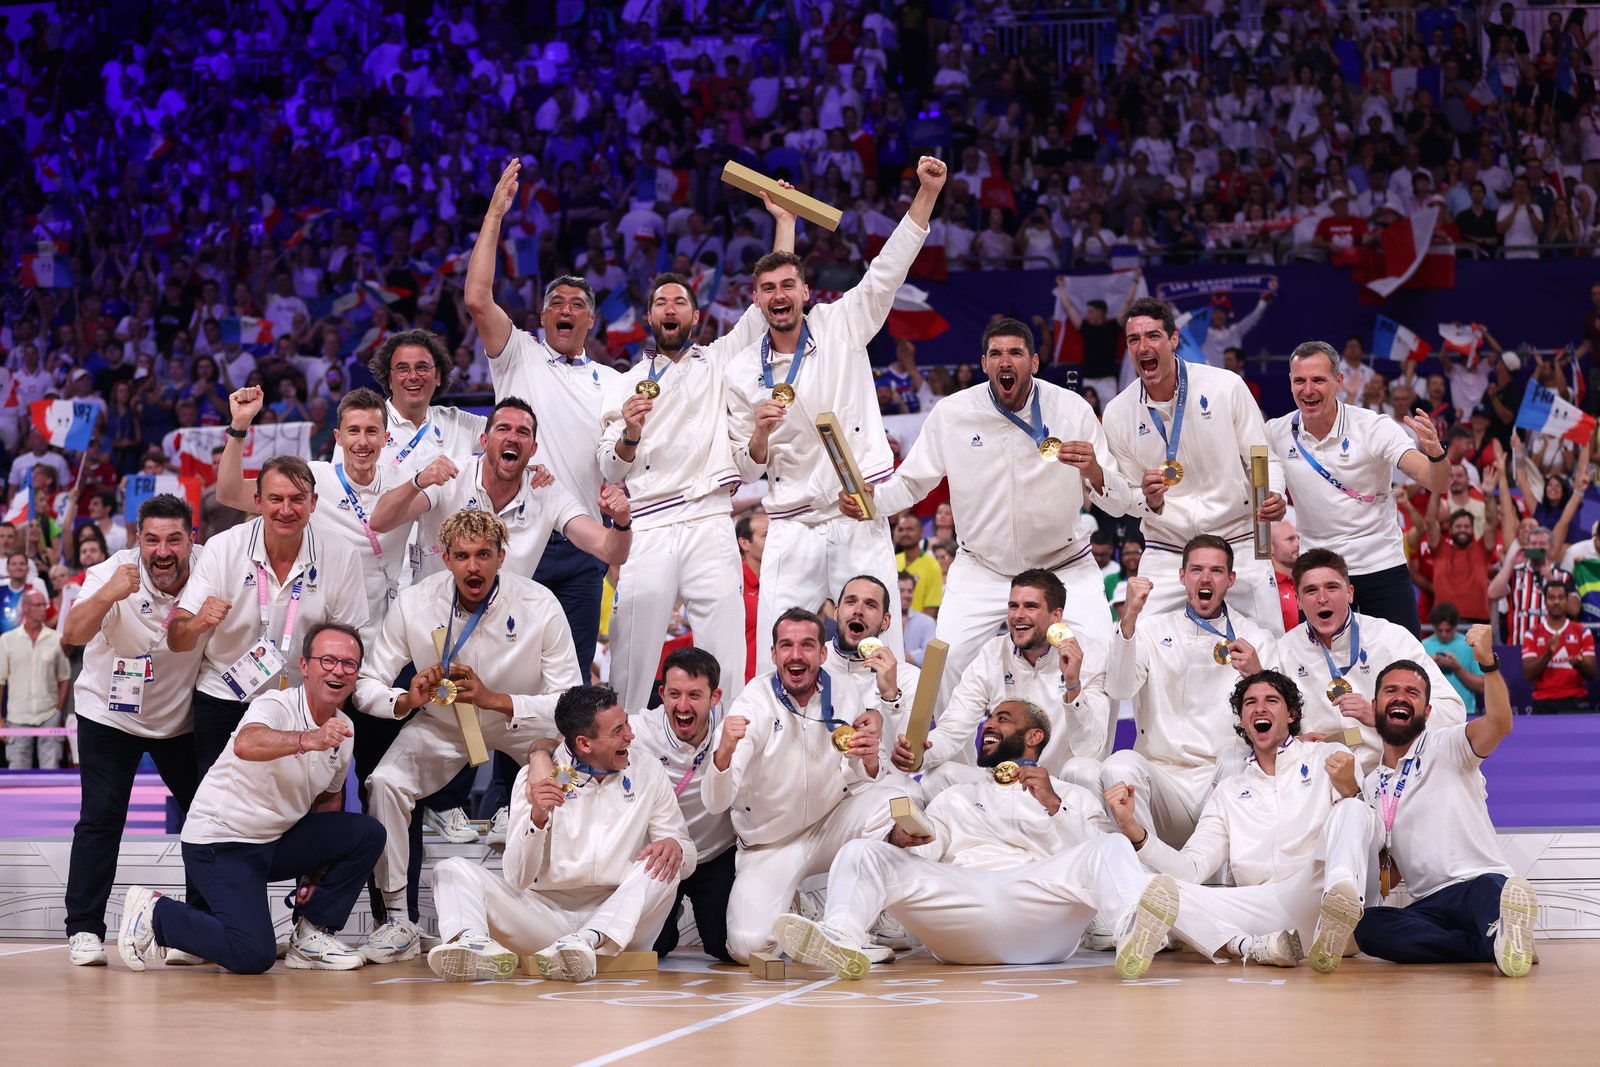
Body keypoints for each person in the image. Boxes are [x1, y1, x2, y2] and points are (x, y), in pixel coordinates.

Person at [773, 700, 1181, 980]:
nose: (989, 724)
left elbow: (1096, 860)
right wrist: (903, 838)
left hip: (1039, 907)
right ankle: (842, 938)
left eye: (1002, 719)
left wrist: (1054, 805)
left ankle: (1132, 934)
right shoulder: (957, 796)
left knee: (1110, 846)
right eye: (988, 719)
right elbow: (930, 848)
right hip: (960, 905)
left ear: (1034, 736)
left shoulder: (1069, 794)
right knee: (864, 850)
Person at [726, 155, 948, 661]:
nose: (778, 296)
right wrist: (759, 436)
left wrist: (927, 194)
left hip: (857, 513)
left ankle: (886, 736)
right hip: (791, 525)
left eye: (787, 286)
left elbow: (887, 272)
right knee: (780, 655)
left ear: (805, 292)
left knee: (876, 652)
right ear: (756, 300)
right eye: (767, 290)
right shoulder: (741, 373)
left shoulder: (841, 323)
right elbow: (744, 466)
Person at [352, 509, 584, 964]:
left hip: (523, 719)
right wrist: (406, 700)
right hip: (444, 723)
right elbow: (365, 685)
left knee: (578, 774)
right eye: (462, 556)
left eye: (483, 555)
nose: (472, 567)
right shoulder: (415, 603)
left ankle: (573, 910)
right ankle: (398, 920)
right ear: (445, 557)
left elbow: (571, 701)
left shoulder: (538, 604)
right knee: (384, 784)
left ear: (502, 556)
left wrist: (496, 698)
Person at [853, 318, 1131, 694]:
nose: (1005, 361)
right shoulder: (953, 413)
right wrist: (870, 501)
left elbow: (1117, 503)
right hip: (983, 568)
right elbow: (913, 482)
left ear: (1033, 362)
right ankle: (954, 755)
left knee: (1102, 658)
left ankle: (1088, 756)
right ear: (983, 363)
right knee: (945, 661)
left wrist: (1096, 471)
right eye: (996, 353)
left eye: (1015, 353)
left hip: (1063, 564)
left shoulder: (1071, 409)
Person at [116, 624, 386, 974]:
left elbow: (327, 801)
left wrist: (315, 874)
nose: (338, 670)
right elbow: (247, 743)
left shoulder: (345, 729)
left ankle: (310, 936)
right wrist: (310, 739)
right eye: (328, 660)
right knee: (252, 955)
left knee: (366, 832)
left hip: (273, 841)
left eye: (349, 664)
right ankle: (155, 912)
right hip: (221, 842)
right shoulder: (275, 703)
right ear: (304, 666)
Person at [425, 685, 695, 983]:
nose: (630, 736)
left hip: (619, 921)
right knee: (449, 870)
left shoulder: (648, 770)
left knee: (664, 860)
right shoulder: (537, 778)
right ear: (584, 743)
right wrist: (537, 819)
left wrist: (676, 846)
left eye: (627, 723)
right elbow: (516, 878)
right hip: (543, 917)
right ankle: (473, 945)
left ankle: (587, 941)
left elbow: (687, 854)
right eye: (618, 731)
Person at [1106, 670, 1372, 972]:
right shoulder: (1229, 791)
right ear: (1243, 721)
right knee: (1155, 887)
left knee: (1354, 809)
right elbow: (1191, 869)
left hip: (1318, 888)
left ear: (1292, 714)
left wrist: (1351, 790)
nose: (1260, 708)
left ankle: (1338, 914)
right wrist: (1134, 831)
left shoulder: (1328, 757)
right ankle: (1253, 947)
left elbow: (1361, 832)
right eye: (1250, 703)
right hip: (1263, 908)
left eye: (1272, 700)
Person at [702, 608, 900, 963]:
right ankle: (798, 908)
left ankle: (848, 929)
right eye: (787, 646)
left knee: (895, 801)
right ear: (774, 653)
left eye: (807, 645)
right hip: (770, 843)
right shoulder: (754, 701)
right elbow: (717, 802)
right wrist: (724, 754)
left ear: (822, 654)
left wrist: (869, 760)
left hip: (828, 824)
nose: (796, 655)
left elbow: (859, 775)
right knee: (748, 949)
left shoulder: (844, 690)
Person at [61, 494, 207, 967]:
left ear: (191, 540)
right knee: (101, 818)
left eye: (173, 539)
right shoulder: (111, 571)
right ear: (136, 541)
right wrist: (108, 595)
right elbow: (72, 634)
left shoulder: (211, 568)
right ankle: (84, 929)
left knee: (204, 821)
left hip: (180, 719)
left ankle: (195, 930)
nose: (162, 551)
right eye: (151, 540)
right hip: (109, 714)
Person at [1352, 630, 1539, 977]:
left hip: (1478, 884)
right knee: (1369, 927)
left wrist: (1488, 662)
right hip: (1428, 905)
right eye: (1391, 690)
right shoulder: (1371, 784)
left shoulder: (1446, 744)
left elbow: (1500, 723)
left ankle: (1497, 936)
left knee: (1491, 890)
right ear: (1375, 706)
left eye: (1413, 692)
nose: (1401, 697)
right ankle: (1492, 944)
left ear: (1427, 710)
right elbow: (1386, 876)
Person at [167, 456, 369, 778]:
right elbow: (177, 639)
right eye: (276, 499)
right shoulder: (223, 548)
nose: (286, 510)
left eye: (297, 499)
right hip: (225, 694)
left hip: (301, 701)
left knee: (301, 807)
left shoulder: (341, 554)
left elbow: (345, 652)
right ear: (258, 501)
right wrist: (196, 623)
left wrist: (328, 713)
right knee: (221, 807)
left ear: (313, 502)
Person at [1102, 297, 1287, 633]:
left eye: (1153, 336)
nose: (1143, 346)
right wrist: (1150, 499)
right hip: (1168, 549)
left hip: (1238, 541)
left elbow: (1262, 458)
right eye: (1134, 339)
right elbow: (1131, 495)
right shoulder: (1117, 413)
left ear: (1174, 340)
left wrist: (1273, 492)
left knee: (1268, 645)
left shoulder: (1225, 386)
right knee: (1142, 646)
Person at [1102, 536, 1281, 847]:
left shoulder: (1257, 639)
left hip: (1220, 777)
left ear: (1230, 579)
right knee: (1119, 765)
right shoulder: (1150, 631)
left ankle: (1225, 879)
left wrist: (1257, 675)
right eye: (1196, 569)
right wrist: (1128, 618)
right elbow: (1119, 689)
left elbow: (1279, 725)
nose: (1206, 579)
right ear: (1182, 576)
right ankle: (1148, 872)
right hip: (1162, 777)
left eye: (1216, 571)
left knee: (1238, 757)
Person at [1265, 341, 1449, 636]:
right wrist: (1270, 501)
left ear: (1339, 382)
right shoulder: (1276, 432)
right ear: (1290, 383)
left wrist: (1436, 454)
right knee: (1315, 673)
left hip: (1380, 564)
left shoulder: (1373, 427)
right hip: (1319, 569)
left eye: (1318, 380)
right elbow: (1261, 484)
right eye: (1300, 380)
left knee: (1406, 667)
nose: (1308, 389)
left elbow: (1436, 481)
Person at [215, 387, 411, 648]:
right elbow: (229, 493)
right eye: (353, 431)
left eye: (371, 431)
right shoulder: (313, 477)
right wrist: (239, 426)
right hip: (324, 631)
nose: (362, 442)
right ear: (338, 437)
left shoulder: (406, 483)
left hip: (388, 633)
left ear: (386, 438)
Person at [370, 397, 633, 584]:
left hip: (503, 632)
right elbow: (380, 521)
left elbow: (611, 551)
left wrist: (621, 522)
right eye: (503, 429)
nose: (512, 437)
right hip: (433, 626)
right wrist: (417, 481)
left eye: (522, 432)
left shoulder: (547, 491)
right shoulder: (450, 477)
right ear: (484, 441)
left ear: (532, 449)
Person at [895, 569, 1107, 795]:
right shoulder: (993, 652)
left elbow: (1090, 748)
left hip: (1059, 789)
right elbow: (954, 726)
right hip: (1001, 783)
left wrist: (1073, 685)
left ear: (1056, 616)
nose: (1018, 615)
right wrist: (918, 755)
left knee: (1085, 771)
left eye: (1031, 606)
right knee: (937, 776)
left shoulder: (1090, 656)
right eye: (1013, 606)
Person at [1282, 549, 1464, 774]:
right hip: (1320, 778)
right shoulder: (1283, 651)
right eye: (1311, 591)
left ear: (1349, 593)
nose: (1322, 598)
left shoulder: (1391, 639)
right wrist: (1292, 744)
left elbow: (1452, 711)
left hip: (1391, 773)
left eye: (1332, 587)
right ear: (1298, 601)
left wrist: (1384, 717)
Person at [629, 647, 736, 962]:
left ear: (714, 698)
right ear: (661, 693)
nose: (683, 706)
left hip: (716, 853)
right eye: (674, 694)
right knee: (654, 948)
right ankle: (667, 924)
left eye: (694, 695)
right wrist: (540, 758)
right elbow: (572, 743)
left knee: (726, 948)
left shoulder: (732, 731)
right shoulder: (637, 731)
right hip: (661, 856)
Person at [351, 329, 486, 476]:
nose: (413, 376)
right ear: (389, 379)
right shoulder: (361, 427)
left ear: (438, 376)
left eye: (422, 367)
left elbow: (508, 430)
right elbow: (343, 492)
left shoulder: (459, 423)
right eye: (403, 369)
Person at [0, 588, 70, 769]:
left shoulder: (56, 639)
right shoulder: (7, 640)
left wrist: (58, 710)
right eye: (38, 605)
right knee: (17, 772)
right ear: (25, 608)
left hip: (49, 715)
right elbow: (0, 680)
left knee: (51, 769)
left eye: (44, 605)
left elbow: (64, 677)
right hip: (17, 716)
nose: (43, 609)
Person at [1520, 576, 1595, 714]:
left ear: (1567, 601)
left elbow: (1592, 674)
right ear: (1545, 602)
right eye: (1552, 597)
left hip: (1575, 700)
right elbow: (1528, 674)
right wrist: (1548, 654)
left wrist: (1579, 664)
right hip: (1543, 703)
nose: (1556, 602)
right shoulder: (1532, 634)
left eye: (1561, 597)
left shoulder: (1583, 632)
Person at [1422, 603, 1485, 711]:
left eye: (1448, 630)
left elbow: (1482, 686)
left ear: (1456, 626)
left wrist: (1457, 668)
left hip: (1465, 712)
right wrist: (1430, 666)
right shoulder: (1423, 646)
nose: (1444, 635)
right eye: (1439, 630)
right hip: (1432, 712)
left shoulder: (1471, 645)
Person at [736, 512, 767, 683]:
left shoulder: (783, 581)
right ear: (744, 543)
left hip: (773, 679)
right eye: (766, 536)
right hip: (739, 683)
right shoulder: (733, 582)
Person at [892, 512, 942, 616]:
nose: (904, 533)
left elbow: (932, 608)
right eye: (901, 530)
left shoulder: (933, 566)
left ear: (921, 532)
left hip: (918, 627)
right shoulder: (892, 561)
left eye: (910, 529)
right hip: (892, 624)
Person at [1272, 519, 1301, 631]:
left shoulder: (1306, 582)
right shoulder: (1268, 590)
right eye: (1290, 539)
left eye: (1298, 538)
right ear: (1271, 548)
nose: (1298, 544)